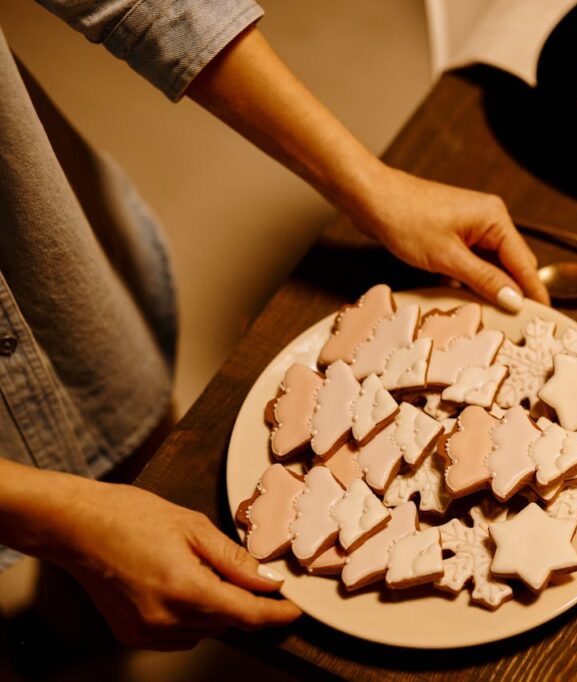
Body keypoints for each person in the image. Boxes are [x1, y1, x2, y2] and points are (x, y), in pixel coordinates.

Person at [0, 0, 547, 652]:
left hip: (42, 257)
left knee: (137, 456)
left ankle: (73, 631)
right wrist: (60, 523)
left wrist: (372, 184)